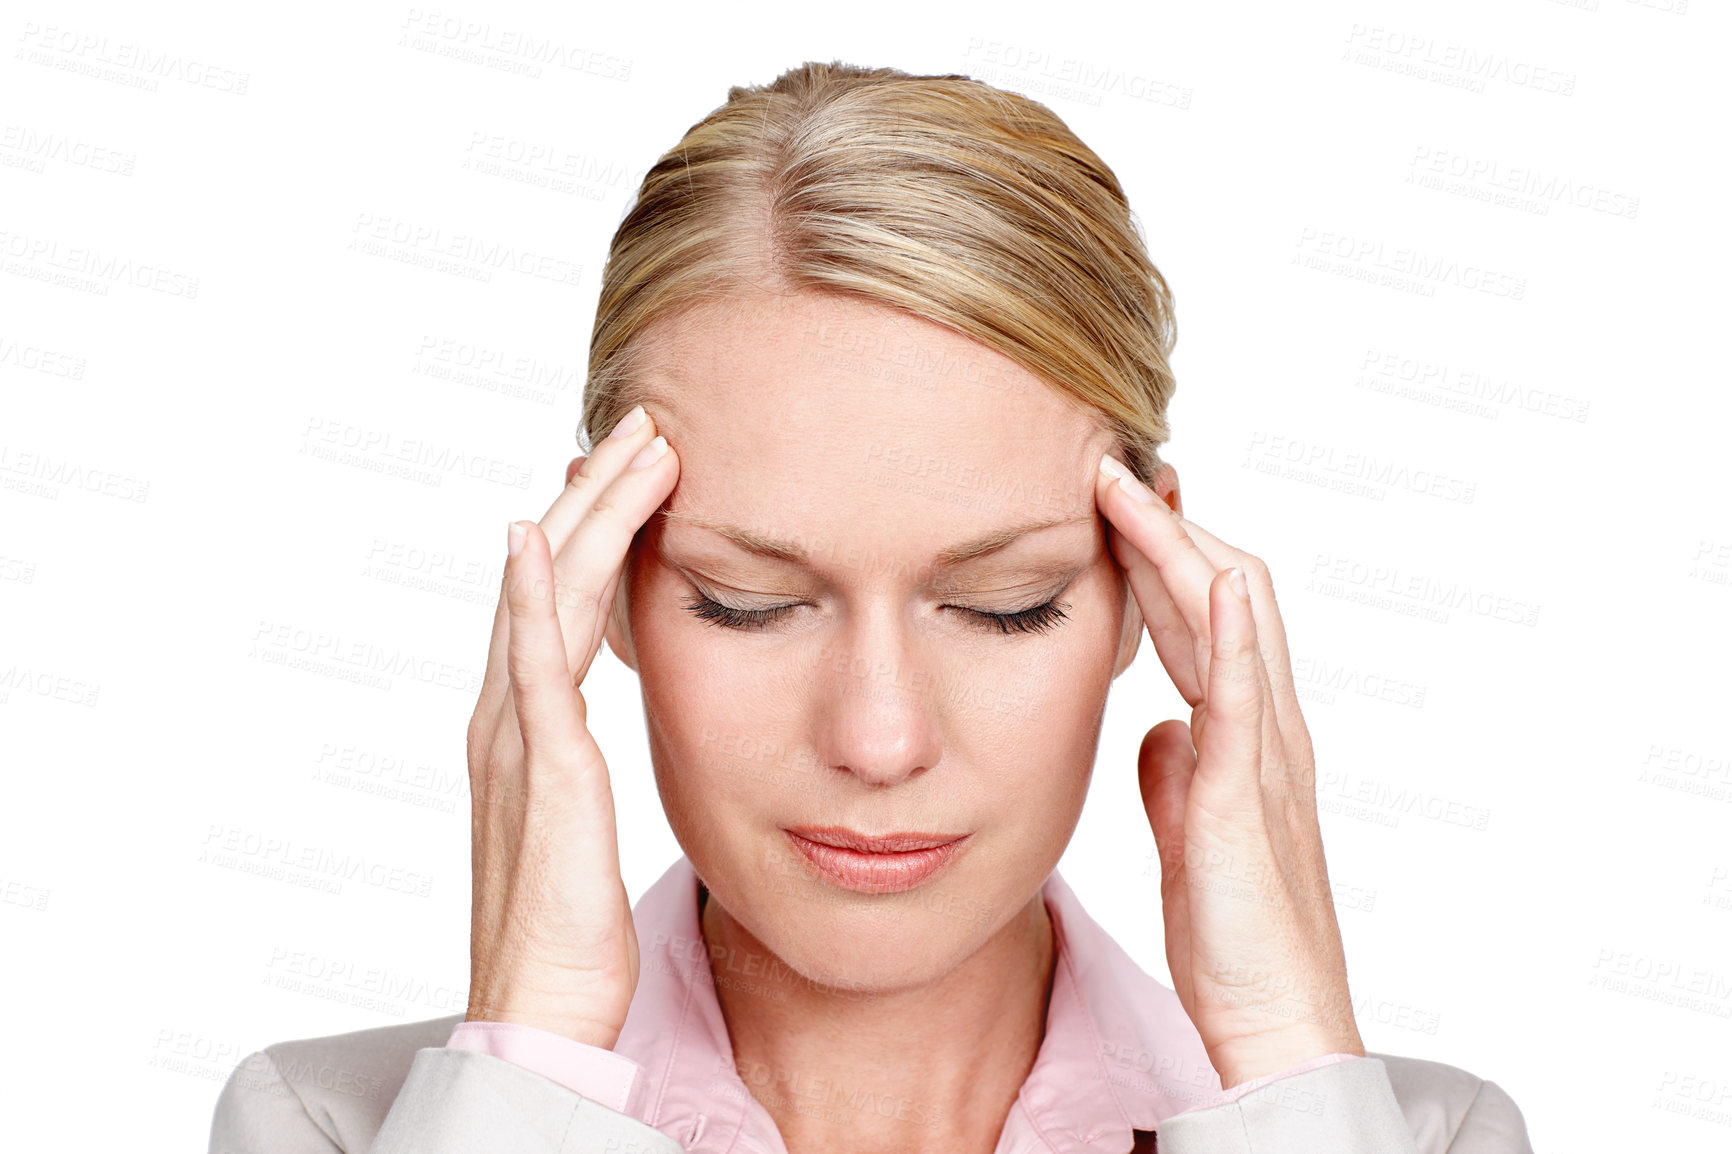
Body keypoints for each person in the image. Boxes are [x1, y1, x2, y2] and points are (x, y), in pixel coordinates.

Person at [210, 61, 1533, 1153]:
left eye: (1008, 605)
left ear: (1149, 583)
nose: (881, 738)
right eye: (747, 602)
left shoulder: (1416, 1137)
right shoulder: (332, 1130)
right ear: (597, 581)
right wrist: (533, 1049)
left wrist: (1284, 1046)